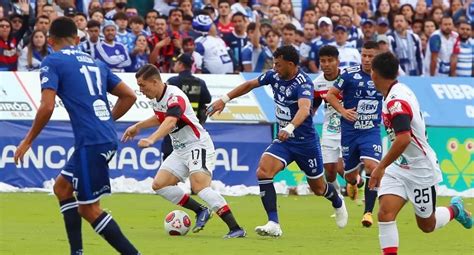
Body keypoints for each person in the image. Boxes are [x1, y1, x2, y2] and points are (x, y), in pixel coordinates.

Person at [13, 17, 139, 254]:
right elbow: (129, 96)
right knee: (62, 188)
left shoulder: (53, 61)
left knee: (89, 210)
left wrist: (27, 140)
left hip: (92, 141)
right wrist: (107, 121)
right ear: (78, 38)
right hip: (101, 136)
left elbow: (47, 107)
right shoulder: (96, 63)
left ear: (50, 41)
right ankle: (76, 252)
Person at [207, 46, 348, 237]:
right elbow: (250, 84)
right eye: (274, 63)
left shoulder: (304, 83)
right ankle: (273, 222)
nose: (275, 67)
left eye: (278, 64)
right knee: (263, 171)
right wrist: (224, 99)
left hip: (305, 142)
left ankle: (337, 201)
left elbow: (305, 109)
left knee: (318, 188)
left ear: (290, 64)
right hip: (285, 141)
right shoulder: (274, 76)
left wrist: (289, 128)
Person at [122, 64, 246, 239]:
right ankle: (201, 211)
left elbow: (171, 122)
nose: (140, 90)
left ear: (155, 82)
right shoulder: (156, 99)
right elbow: (160, 117)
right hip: (180, 150)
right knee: (160, 184)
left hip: (197, 145)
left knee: (200, 187)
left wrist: (152, 138)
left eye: (143, 85)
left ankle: (236, 228)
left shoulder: (175, 96)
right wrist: (138, 127)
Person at [369, 51, 472, 255]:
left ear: (374, 74)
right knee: (385, 213)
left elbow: (404, 138)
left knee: (427, 225)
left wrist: (381, 167)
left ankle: (455, 210)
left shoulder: (395, 101)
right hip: (399, 166)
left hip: (420, 169)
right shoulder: (393, 91)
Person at [326, 41, 383, 228]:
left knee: (372, 168)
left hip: (371, 131)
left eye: (370, 56)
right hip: (350, 133)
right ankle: (353, 182)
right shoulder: (349, 75)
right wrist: (343, 111)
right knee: (350, 176)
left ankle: (368, 212)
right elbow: (330, 95)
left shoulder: (383, 77)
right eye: (364, 55)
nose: (366, 59)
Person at [161, 53, 212, 160]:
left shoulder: (173, 81)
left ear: (181, 65)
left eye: (176, 62)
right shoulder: (200, 83)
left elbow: (163, 101)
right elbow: (207, 100)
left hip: (174, 128)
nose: (174, 64)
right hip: (192, 130)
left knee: (169, 164)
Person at [313, 45, 344, 197]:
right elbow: (312, 108)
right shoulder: (317, 84)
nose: (326, 64)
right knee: (330, 173)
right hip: (330, 129)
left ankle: (360, 189)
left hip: (350, 128)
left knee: (344, 169)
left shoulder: (348, 78)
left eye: (330, 60)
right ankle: (339, 203)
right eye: (322, 61)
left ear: (338, 61)